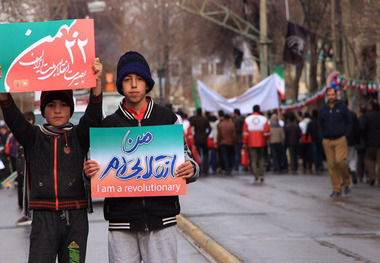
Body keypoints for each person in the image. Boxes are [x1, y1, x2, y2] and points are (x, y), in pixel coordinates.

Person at [83, 51, 199, 263]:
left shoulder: (167, 119)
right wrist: (88, 172)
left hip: (162, 219)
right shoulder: (109, 125)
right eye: (127, 80)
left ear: (148, 84)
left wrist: (190, 168)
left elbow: (187, 158)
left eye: (139, 79)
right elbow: (92, 170)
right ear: (120, 86)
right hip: (121, 222)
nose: (133, 85)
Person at [0, 59, 103, 262]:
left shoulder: (79, 136)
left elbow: (93, 117)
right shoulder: (33, 137)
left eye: (64, 105)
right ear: (43, 110)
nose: (57, 110)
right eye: (52, 105)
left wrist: (97, 83)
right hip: (43, 218)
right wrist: (2, 86)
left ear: (71, 109)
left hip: (76, 218)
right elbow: (13, 117)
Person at [318, 87, 352, 198]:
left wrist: (346, 135)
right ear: (326, 96)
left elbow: (349, 121)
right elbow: (320, 124)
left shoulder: (342, 106)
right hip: (327, 140)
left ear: (336, 95)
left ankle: (346, 182)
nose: (331, 97)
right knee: (331, 165)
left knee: (340, 161)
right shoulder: (323, 109)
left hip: (340, 139)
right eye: (329, 95)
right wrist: (322, 137)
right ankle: (336, 189)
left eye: (333, 94)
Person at [15, 111, 35, 225]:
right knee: (25, 192)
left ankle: (30, 215)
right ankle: (28, 214)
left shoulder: (33, 134)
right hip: (23, 169)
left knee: (29, 192)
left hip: (31, 170)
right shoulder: (23, 134)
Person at [243, 105, 270, 182]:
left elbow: (245, 133)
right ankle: (262, 174)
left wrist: (245, 142)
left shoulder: (247, 119)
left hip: (251, 142)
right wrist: (265, 139)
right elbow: (267, 131)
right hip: (261, 141)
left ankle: (256, 175)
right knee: (261, 158)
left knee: (253, 160)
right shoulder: (264, 119)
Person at [360, 99, 380, 186]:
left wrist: (364, 139)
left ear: (370, 107)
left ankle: (372, 177)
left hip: (370, 142)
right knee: (379, 161)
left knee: (370, 160)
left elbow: (363, 129)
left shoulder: (366, 116)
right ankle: (379, 178)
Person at [190, 108, 211, 175]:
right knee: (205, 154)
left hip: (196, 139)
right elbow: (209, 128)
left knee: (197, 154)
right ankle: (205, 169)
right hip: (204, 139)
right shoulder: (205, 119)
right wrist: (206, 135)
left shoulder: (194, 120)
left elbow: (190, 128)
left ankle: (199, 168)